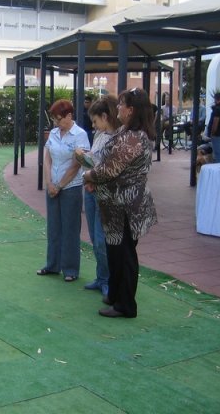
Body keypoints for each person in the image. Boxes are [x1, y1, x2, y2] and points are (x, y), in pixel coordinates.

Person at [82, 88, 158, 318]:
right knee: (116, 252)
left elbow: (110, 168)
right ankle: (115, 296)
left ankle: (125, 305)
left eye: (121, 105)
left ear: (131, 110)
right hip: (117, 204)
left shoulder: (134, 136)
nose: (118, 108)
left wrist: (89, 176)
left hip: (127, 206)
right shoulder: (128, 132)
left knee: (124, 256)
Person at [37, 99, 90, 283]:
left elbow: (76, 165)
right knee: (53, 227)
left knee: (70, 228)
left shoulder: (80, 135)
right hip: (52, 185)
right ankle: (52, 265)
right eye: (54, 120)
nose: (56, 123)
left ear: (69, 116)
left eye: (59, 119)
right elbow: (48, 158)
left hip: (71, 187)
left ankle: (70, 269)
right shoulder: (53, 133)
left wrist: (59, 186)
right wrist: (49, 183)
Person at [74, 95, 121, 297]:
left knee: (103, 240)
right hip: (93, 190)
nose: (93, 125)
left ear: (105, 116)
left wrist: (92, 172)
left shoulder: (119, 137)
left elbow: (111, 170)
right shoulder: (100, 135)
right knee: (95, 238)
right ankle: (102, 277)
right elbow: (94, 159)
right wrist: (84, 158)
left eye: (95, 121)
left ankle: (110, 279)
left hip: (107, 194)